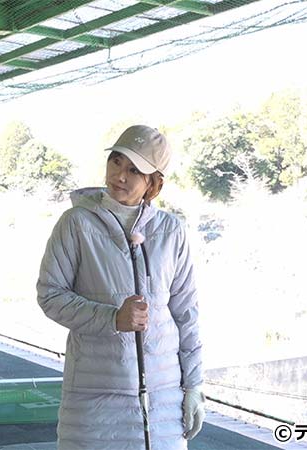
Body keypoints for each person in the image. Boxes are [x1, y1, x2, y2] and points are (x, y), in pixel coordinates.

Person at [37, 125, 204, 449]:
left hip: (164, 401)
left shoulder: (172, 231)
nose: (120, 175)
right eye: (116, 161)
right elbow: (50, 295)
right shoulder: (76, 223)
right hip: (93, 400)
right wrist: (112, 318)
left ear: (153, 182)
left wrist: (194, 385)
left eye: (134, 170)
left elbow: (186, 313)